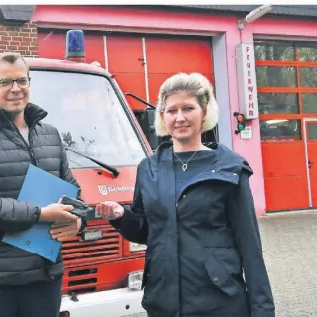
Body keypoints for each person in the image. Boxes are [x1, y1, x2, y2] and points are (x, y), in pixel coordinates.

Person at [96, 72, 275, 317]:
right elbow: (148, 231)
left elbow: (250, 245)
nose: (179, 118)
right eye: (171, 110)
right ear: (162, 116)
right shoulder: (149, 168)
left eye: (188, 108)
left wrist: (262, 310)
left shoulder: (229, 168)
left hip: (218, 301)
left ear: (204, 112)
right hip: (163, 300)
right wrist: (120, 216)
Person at [0, 52, 85, 317]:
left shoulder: (49, 135)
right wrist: (40, 215)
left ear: (29, 83)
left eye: (22, 81)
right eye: (5, 83)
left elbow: (74, 194)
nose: (15, 89)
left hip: (45, 280)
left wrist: (78, 221)